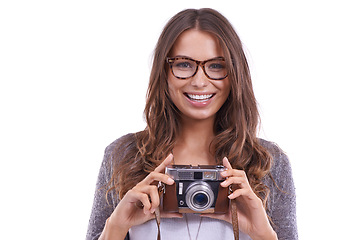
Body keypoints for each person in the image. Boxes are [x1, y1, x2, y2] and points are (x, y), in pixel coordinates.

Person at [86, 8, 297, 240]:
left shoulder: (268, 162)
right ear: (164, 71)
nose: (199, 81)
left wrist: (263, 235)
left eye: (216, 65)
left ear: (235, 73)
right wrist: (116, 227)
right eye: (184, 64)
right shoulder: (123, 156)